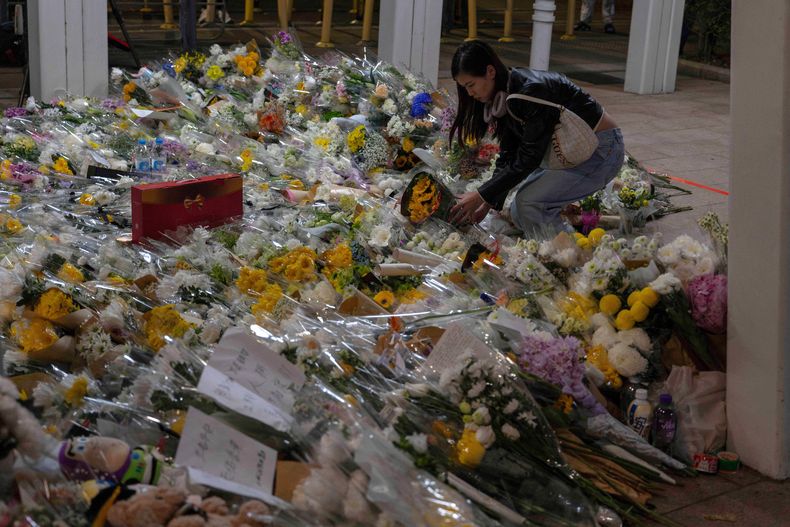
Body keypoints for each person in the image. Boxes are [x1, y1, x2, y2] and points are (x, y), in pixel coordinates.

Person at [448, 41, 623, 236]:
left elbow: (529, 158)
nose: (470, 93)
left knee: (529, 204)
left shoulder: (527, 93)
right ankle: (552, 248)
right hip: (574, 151)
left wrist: (481, 195)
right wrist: (488, 202)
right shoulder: (506, 93)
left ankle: (566, 257)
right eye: (465, 88)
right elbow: (509, 154)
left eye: (471, 85)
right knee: (519, 211)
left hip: (602, 150)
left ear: (490, 71)